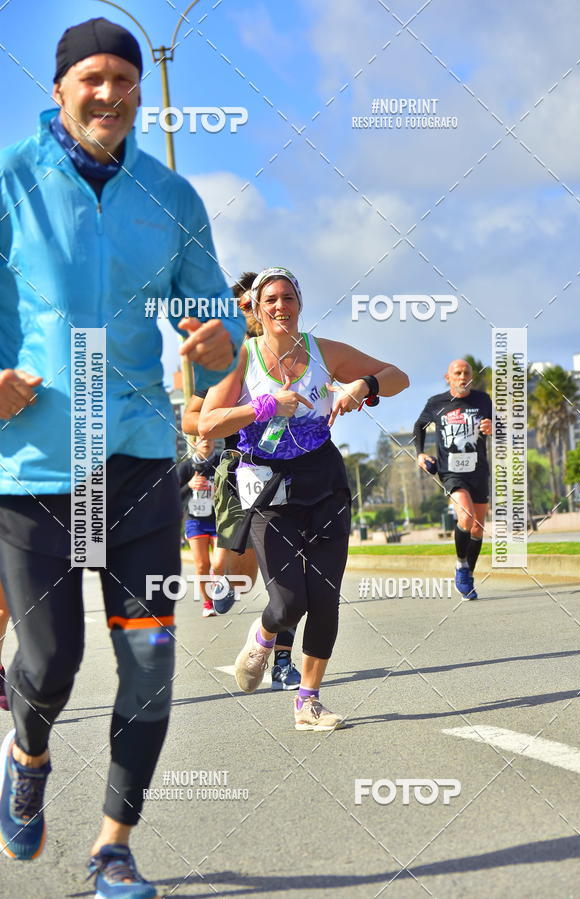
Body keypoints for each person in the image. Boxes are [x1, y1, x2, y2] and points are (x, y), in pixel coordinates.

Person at [0, 17, 244, 898]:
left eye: (125, 80)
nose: (111, 94)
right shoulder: (10, 182)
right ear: (60, 87)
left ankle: (114, 846)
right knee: (51, 663)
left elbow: (218, 317)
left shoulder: (172, 197)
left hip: (139, 459)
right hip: (36, 465)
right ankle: (27, 753)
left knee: (147, 660)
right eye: (93, 78)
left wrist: (221, 339)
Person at [199, 267, 409, 730]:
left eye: (288, 297)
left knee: (326, 596)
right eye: (270, 299)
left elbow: (399, 376)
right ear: (255, 308)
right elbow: (206, 423)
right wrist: (264, 406)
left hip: (324, 481)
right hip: (268, 488)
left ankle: (308, 702)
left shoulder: (322, 351)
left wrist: (363, 386)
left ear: (299, 302)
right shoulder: (243, 358)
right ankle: (263, 634)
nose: (280, 306)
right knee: (289, 601)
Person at [182, 273, 301, 689]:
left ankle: (283, 659)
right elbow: (192, 420)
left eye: (260, 303)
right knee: (242, 578)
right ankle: (222, 575)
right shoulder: (223, 358)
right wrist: (251, 410)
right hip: (237, 469)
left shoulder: (298, 349)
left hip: (291, 468)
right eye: (246, 306)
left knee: (290, 572)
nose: (255, 312)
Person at [414, 359, 492, 600]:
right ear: (448, 377)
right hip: (451, 470)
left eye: (466, 372)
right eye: (457, 373)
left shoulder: (482, 400)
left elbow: (495, 426)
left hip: (478, 470)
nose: (462, 376)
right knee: (466, 515)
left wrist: (492, 426)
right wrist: (420, 453)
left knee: (478, 528)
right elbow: (419, 426)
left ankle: (467, 573)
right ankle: (460, 564)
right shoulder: (436, 403)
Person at [177, 436, 224, 617]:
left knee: (218, 564)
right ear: (193, 442)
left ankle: (217, 586)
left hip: (219, 520)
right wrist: (189, 485)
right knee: (202, 565)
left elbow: (235, 484)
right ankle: (207, 603)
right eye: (201, 438)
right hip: (195, 521)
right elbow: (173, 496)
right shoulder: (186, 467)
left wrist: (222, 489)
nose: (206, 441)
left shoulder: (221, 461)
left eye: (210, 438)